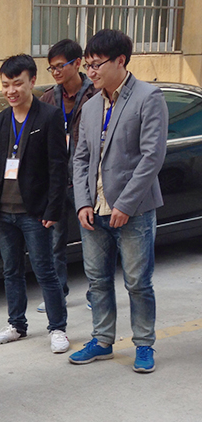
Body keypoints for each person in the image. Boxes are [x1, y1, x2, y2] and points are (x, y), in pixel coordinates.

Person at [69, 29, 168, 373]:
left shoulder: (148, 97)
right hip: (94, 211)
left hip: (133, 210)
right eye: (88, 65)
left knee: (138, 282)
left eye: (96, 64)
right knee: (97, 281)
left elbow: (152, 157)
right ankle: (102, 340)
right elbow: (81, 158)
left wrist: (125, 204)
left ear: (120, 61)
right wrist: (82, 202)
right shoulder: (91, 105)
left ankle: (144, 344)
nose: (90, 72)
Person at [0, 54, 69, 353]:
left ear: (32, 81)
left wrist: (53, 209)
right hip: (3, 212)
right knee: (11, 271)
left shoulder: (49, 116)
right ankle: (16, 325)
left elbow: (58, 166)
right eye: (5, 84)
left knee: (45, 270)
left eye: (17, 83)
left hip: (35, 212)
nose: (11, 91)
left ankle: (57, 328)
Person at [37, 39, 96, 312]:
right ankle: (57, 292)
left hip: (85, 179)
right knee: (54, 241)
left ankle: (96, 293)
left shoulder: (95, 93)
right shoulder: (49, 98)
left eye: (60, 66)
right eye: (52, 68)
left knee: (92, 240)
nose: (56, 72)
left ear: (77, 63)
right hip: (57, 181)